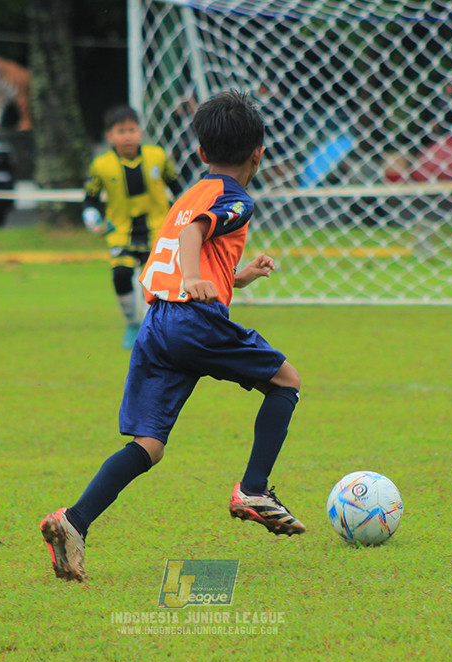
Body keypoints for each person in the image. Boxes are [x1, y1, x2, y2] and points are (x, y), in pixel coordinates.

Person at [42, 91, 305, 582]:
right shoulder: (235, 198)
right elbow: (191, 242)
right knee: (286, 382)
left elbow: (190, 244)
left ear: (202, 154)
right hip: (192, 319)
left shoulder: (190, 193)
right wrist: (191, 279)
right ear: (259, 153)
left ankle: (73, 521)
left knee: (149, 445)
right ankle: (253, 488)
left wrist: (237, 276)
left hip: (157, 323)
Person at [82, 106, 183, 349]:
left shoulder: (157, 156)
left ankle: (160, 328)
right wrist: (92, 218)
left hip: (158, 231)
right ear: (109, 136)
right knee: (121, 275)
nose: (127, 136)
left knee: (159, 284)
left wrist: (185, 216)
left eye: (132, 130)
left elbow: (178, 187)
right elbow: (90, 199)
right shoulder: (101, 166)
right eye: (120, 131)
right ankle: (131, 324)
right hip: (120, 233)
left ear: (139, 132)